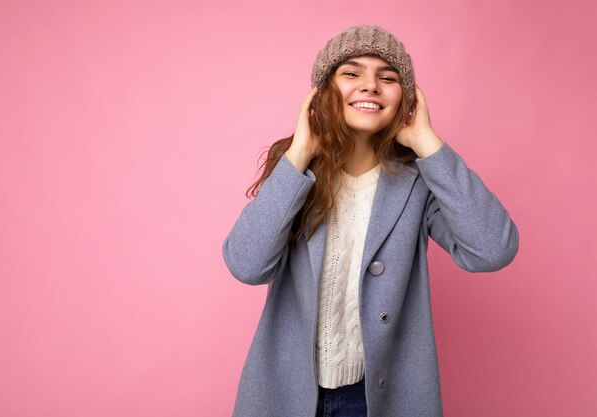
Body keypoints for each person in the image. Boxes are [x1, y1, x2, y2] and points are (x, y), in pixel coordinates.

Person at [222, 25, 519, 417]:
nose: (370, 85)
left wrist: (428, 143)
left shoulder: (420, 182)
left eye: (388, 77)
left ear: (406, 99)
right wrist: (299, 153)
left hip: (378, 398)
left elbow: (492, 249)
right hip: (286, 395)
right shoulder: (296, 173)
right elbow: (246, 265)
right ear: (324, 91)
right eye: (351, 73)